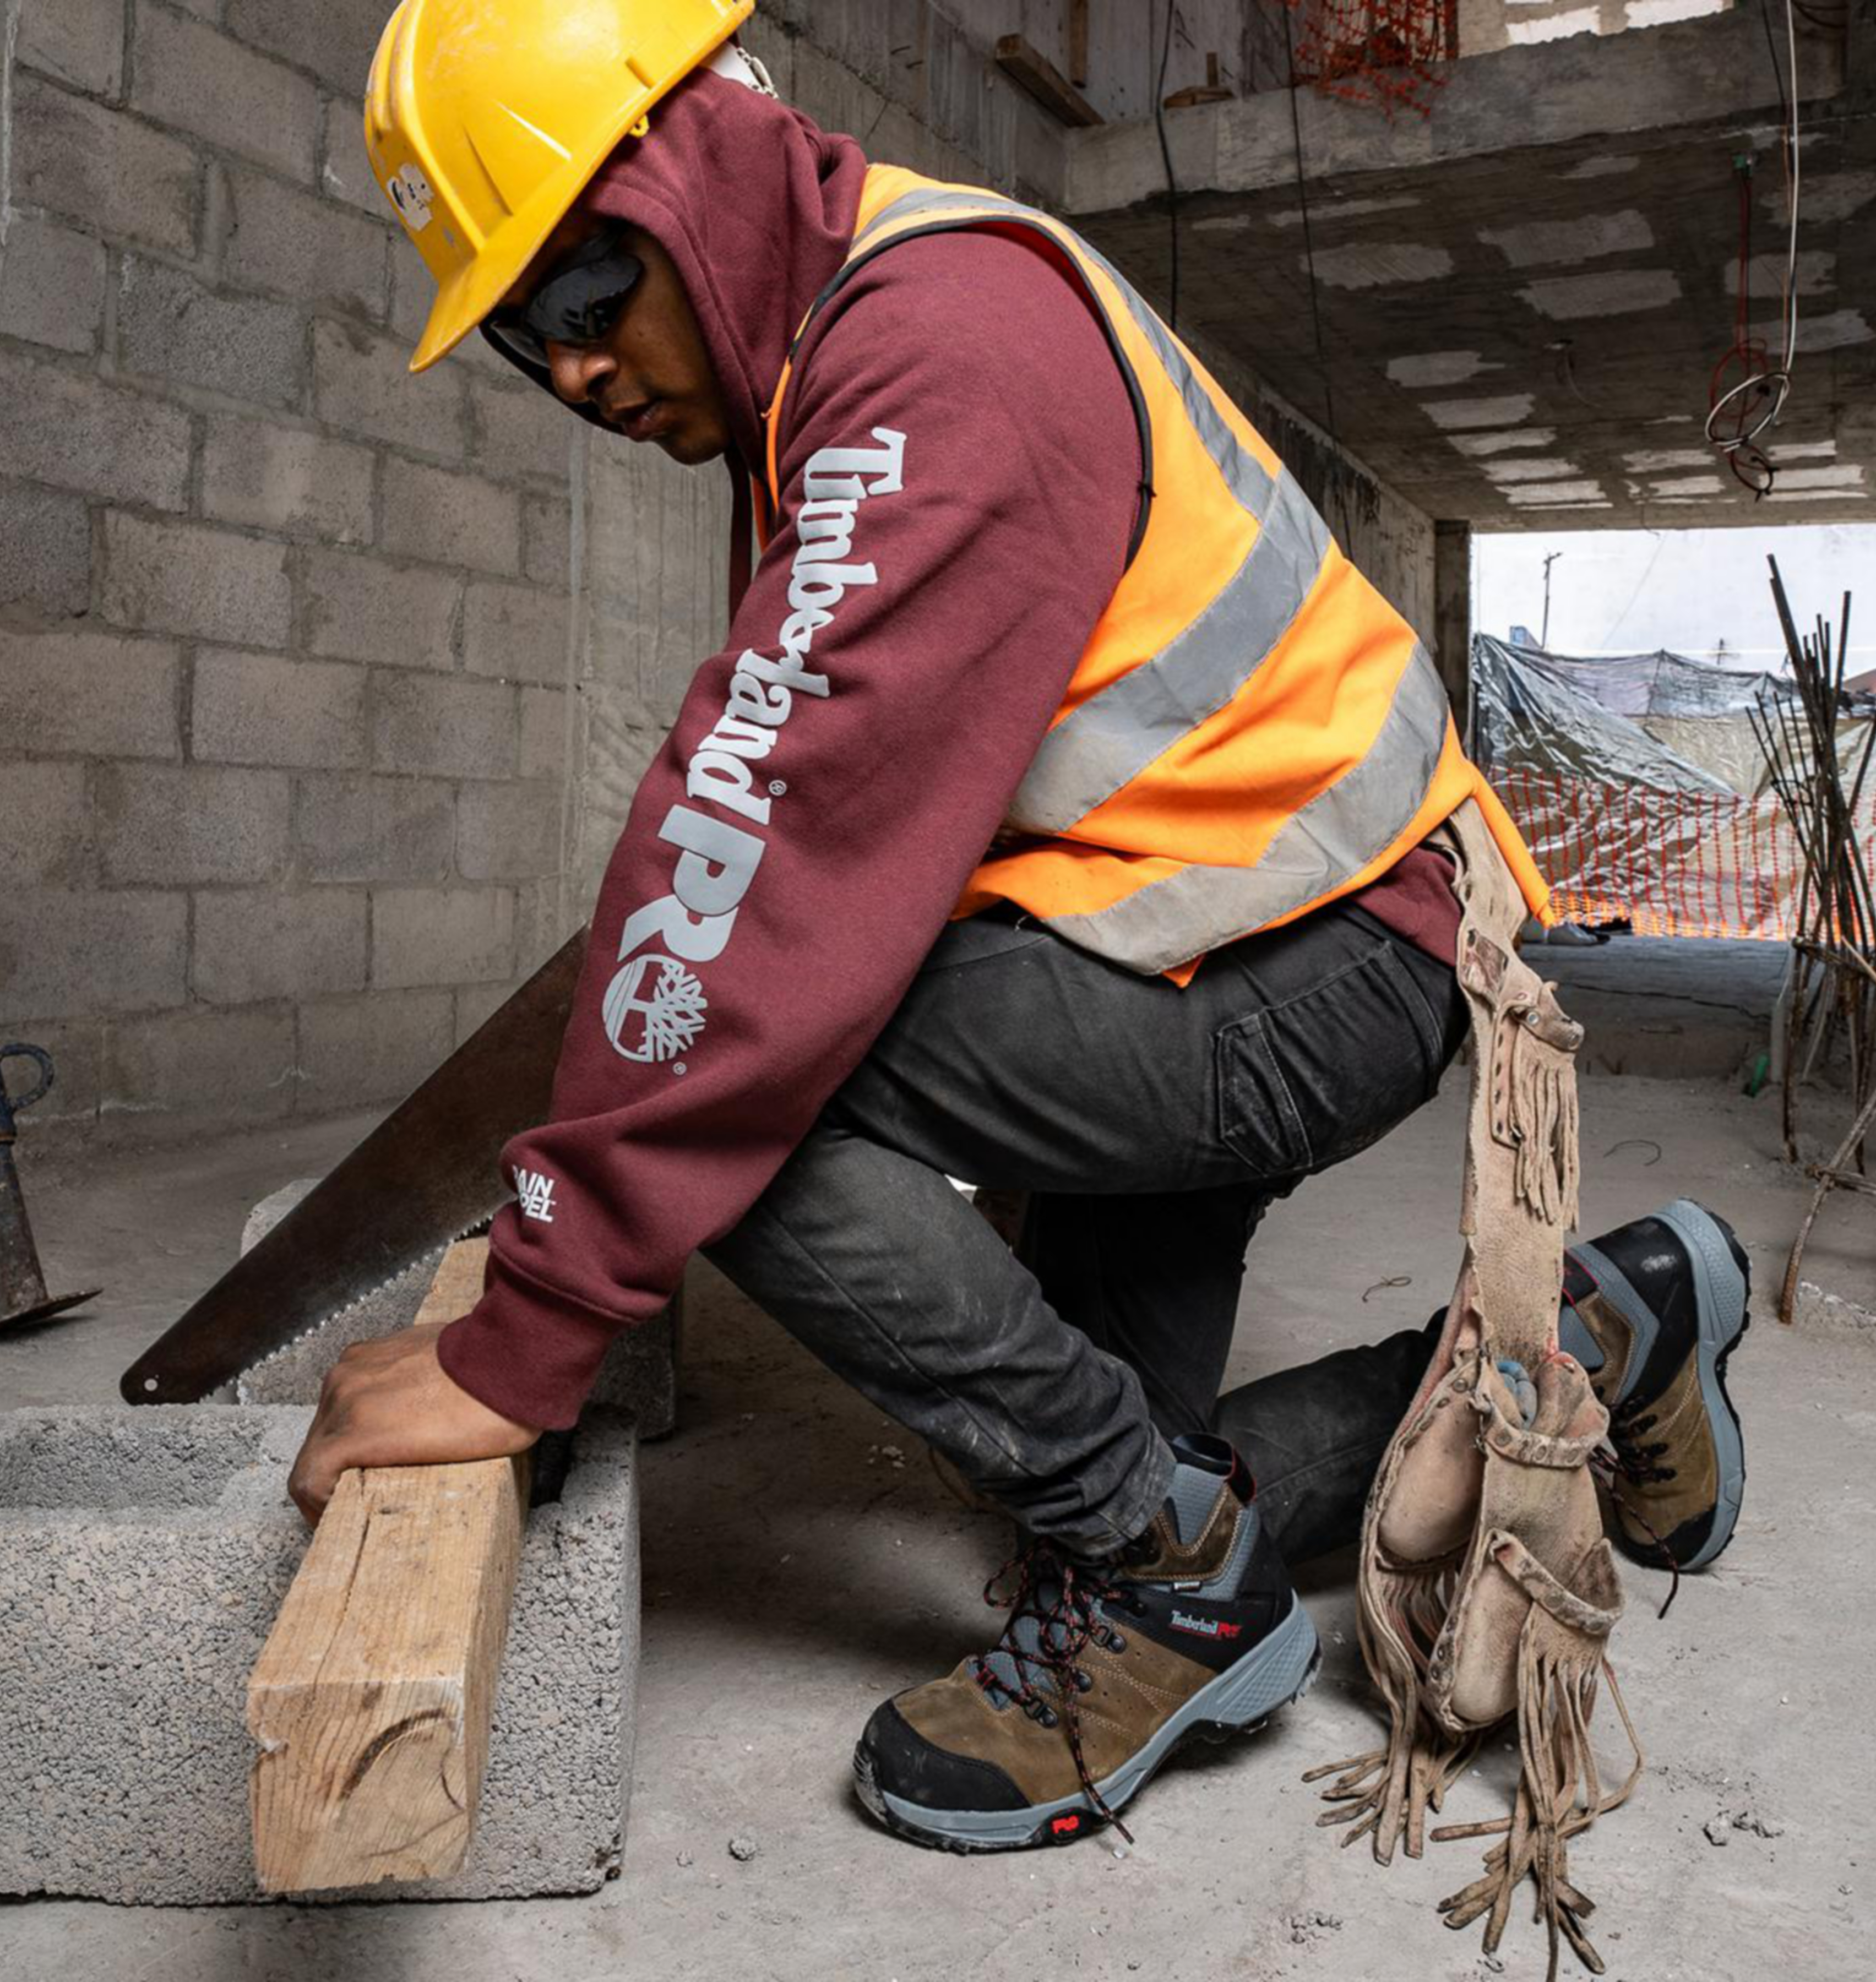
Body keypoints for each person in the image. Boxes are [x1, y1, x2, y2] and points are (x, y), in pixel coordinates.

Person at [289, 0, 1750, 1852]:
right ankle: (1613, 1332)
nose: (569, 372)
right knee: (1112, 1475)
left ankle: (1173, 1596)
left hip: (1301, 963)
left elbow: (760, 846)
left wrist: (533, 1327)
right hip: (1216, 930)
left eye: (582, 295)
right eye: (520, 340)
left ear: (696, 171)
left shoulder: (939, 350)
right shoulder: (857, 347)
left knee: (746, 1092)